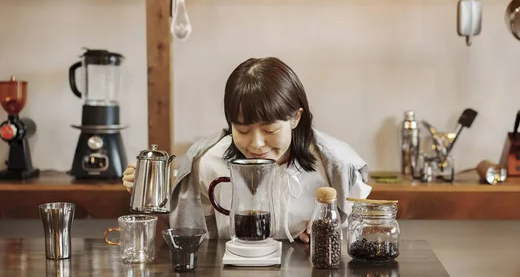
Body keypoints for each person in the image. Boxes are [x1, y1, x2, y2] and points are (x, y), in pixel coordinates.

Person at [122, 57, 371, 243]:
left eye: (270, 131)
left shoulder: (337, 165)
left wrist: (330, 229)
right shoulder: (209, 163)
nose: (256, 144)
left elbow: (358, 229)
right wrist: (146, 191)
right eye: (241, 131)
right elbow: (185, 230)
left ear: (295, 118)